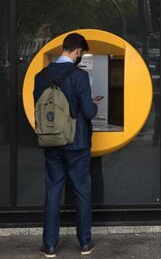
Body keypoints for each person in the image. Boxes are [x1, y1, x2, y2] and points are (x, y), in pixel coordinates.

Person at [34, 33, 99, 258]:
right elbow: (88, 112)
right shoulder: (81, 77)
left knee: (53, 191)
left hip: (51, 141)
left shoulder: (41, 75)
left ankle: (50, 245)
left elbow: (41, 108)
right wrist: (93, 105)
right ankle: (85, 243)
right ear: (78, 51)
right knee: (81, 190)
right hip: (77, 143)